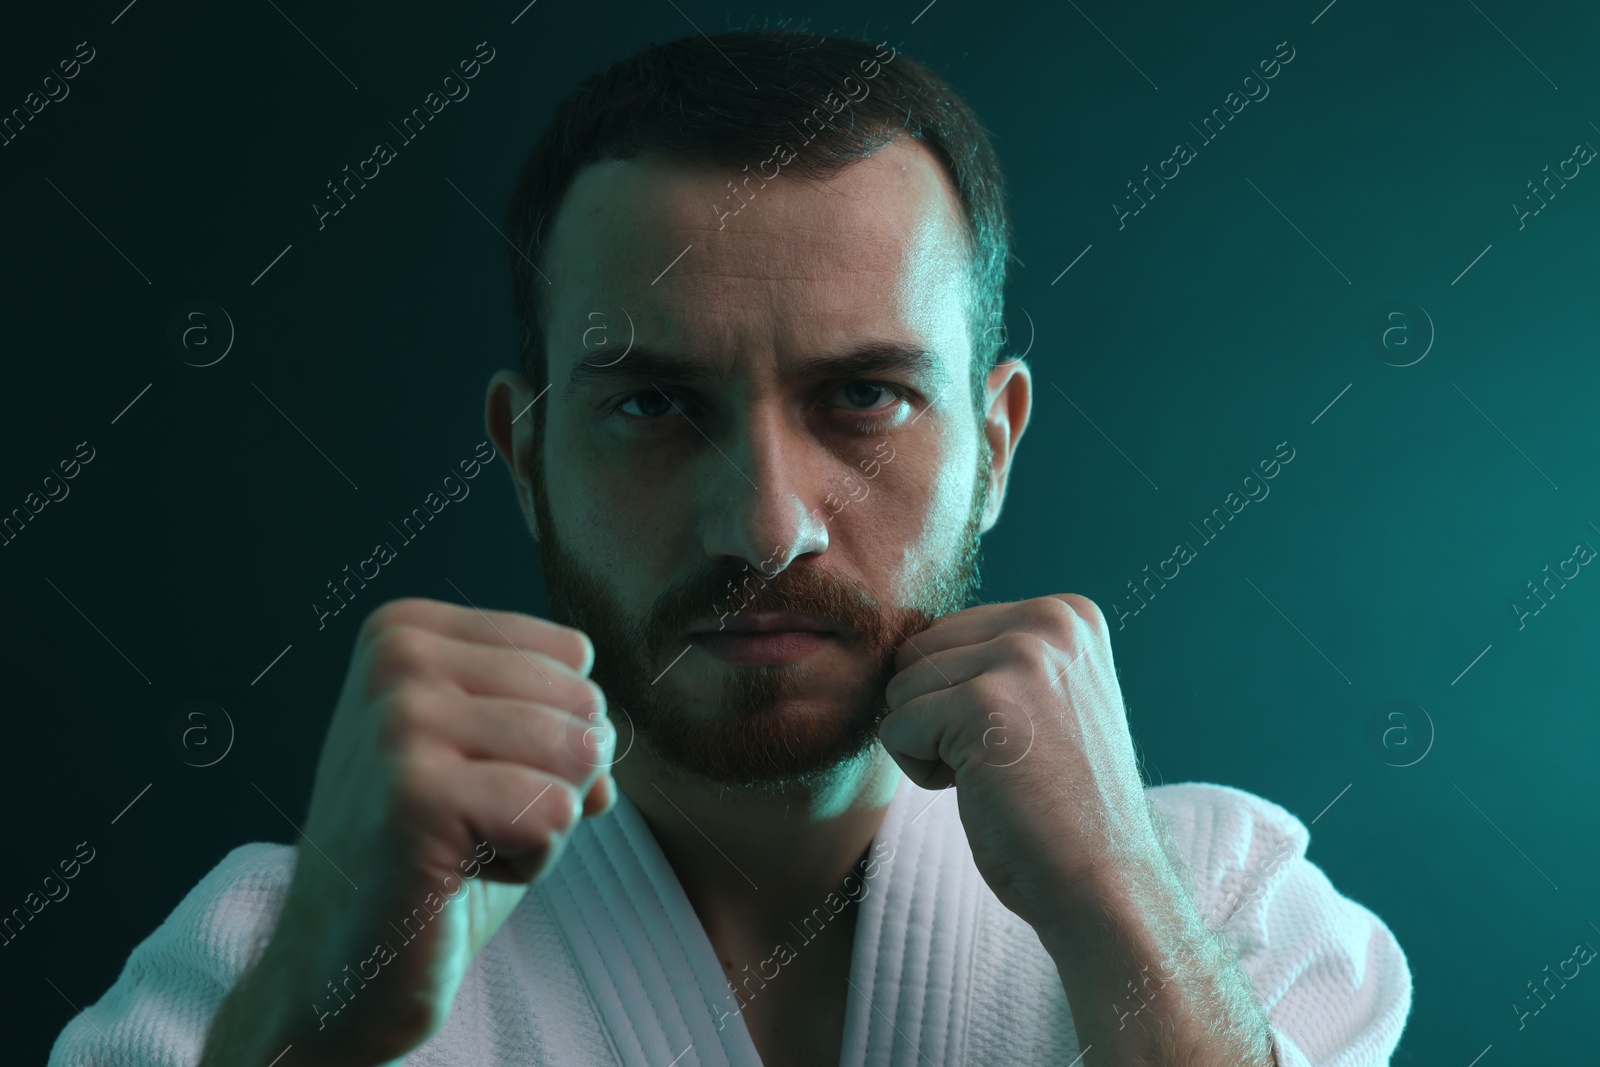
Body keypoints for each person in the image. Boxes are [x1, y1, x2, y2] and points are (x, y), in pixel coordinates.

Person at [49, 27, 1411, 1067]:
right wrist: (316, 1019)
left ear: (994, 447)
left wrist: (1119, 904)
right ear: (525, 457)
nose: (766, 525)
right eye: (653, 404)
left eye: (864, 397)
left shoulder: (1224, 912)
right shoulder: (269, 954)